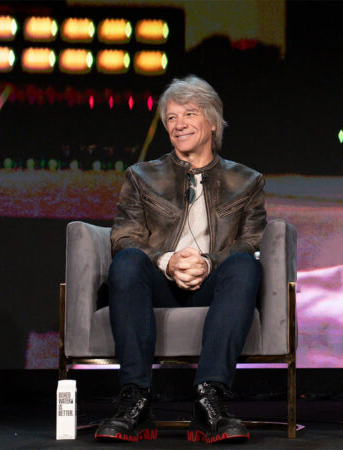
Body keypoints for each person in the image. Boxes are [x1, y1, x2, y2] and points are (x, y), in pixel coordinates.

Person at [94, 75, 266, 444]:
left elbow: (251, 239)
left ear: (212, 123)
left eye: (189, 114)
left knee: (246, 264)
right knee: (126, 262)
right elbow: (125, 236)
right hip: (158, 284)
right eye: (171, 118)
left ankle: (210, 400)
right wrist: (167, 261)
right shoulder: (142, 176)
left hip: (213, 282)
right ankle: (135, 402)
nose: (178, 124)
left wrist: (207, 263)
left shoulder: (247, 180)